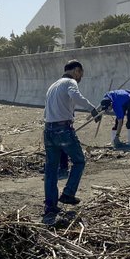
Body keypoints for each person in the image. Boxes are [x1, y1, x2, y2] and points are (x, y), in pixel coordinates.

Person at [42, 61, 101, 225]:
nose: (80, 76)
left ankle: (50, 206)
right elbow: (76, 96)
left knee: (51, 169)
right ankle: (68, 193)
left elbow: (48, 110)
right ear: (76, 71)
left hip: (48, 130)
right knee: (79, 161)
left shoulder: (53, 85)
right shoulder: (70, 82)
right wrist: (92, 109)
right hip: (63, 130)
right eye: (80, 73)